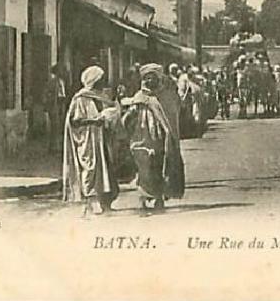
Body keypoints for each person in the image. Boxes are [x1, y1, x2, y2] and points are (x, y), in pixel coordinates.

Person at [121, 64, 185, 213]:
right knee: (143, 168)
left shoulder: (165, 97)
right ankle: (143, 200)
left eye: (153, 77)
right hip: (140, 137)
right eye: (146, 77)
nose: (149, 80)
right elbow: (130, 115)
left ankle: (158, 198)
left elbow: (172, 114)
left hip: (159, 138)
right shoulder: (139, 96)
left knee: (158, 167)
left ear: (158, 78)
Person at [62, 66, 121, 216]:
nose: (104, 82)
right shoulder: (80, 98)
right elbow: (74, 121)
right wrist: (93, 121)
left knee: (107, 169)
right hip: (88, 140)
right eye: (101, 79)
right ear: (93, 81)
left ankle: (106, 202)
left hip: (102, 139)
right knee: (90, 169)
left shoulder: (102, 97)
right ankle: (90, 202)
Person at [44, 63, 67, 152]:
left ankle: (58, 145)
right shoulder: (52, 82)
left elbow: (63, 93)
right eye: (60, 71)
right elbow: (47, 94)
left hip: (61, 104)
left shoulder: (62, 81)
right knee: (54, 125)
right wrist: (49, 105)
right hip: (54, 105)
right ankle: (52, 146)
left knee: (60, 125)